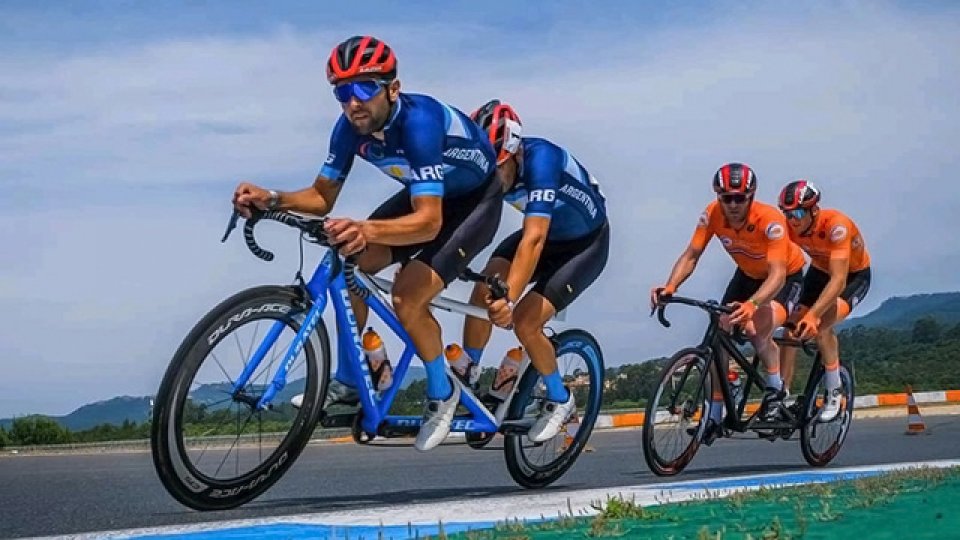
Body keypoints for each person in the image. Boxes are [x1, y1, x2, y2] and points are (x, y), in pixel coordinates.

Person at [232, 35, 502, 451]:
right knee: (350, 258)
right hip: (425, 194)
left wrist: (368, 229)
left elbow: (430, 223)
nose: (352, 101)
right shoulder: (347, 129)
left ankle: (441, 392)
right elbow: (322, 198)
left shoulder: (419, 125)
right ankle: (354, 381)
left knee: (409, 295)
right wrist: (271, 198)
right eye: (342, 91)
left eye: (364, 88)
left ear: (392, 89)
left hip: (473, 203)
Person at [457, 100, 610, 442]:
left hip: (584, 246)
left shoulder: (544, 160)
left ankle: (560, 399)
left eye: (497, 168)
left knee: (525, 321)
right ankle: (469, 374)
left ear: (513, 153)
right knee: (485, 286)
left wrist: (508, 298)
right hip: (550, 236)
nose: (491, 179)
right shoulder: (495, 167)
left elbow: (534, 238)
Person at [650, 163, 805, 443]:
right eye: (726, 198)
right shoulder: (712, 214)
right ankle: (716, 412)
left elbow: (778, 274)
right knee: (718, 335)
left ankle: (775, 390)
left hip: (783, 277)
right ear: (718, 196)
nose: (732, 204)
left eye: (739, 198)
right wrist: (670, 285)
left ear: (751, 196)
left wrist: (754, 304)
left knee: (756, 329)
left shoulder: (770, 221)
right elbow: (692, 255)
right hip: (746, 276)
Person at [777, 180, 871, 422]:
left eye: (797, 213)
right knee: (790, 332)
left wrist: (813, 314)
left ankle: (834, 391)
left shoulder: (836, 226)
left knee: (821, 327)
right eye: (787, 214)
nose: (792, 220)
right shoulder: (789, 228)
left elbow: (838, 280)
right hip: (819, 273)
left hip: (851, 276)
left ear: (814, 210)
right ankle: (780, 396)